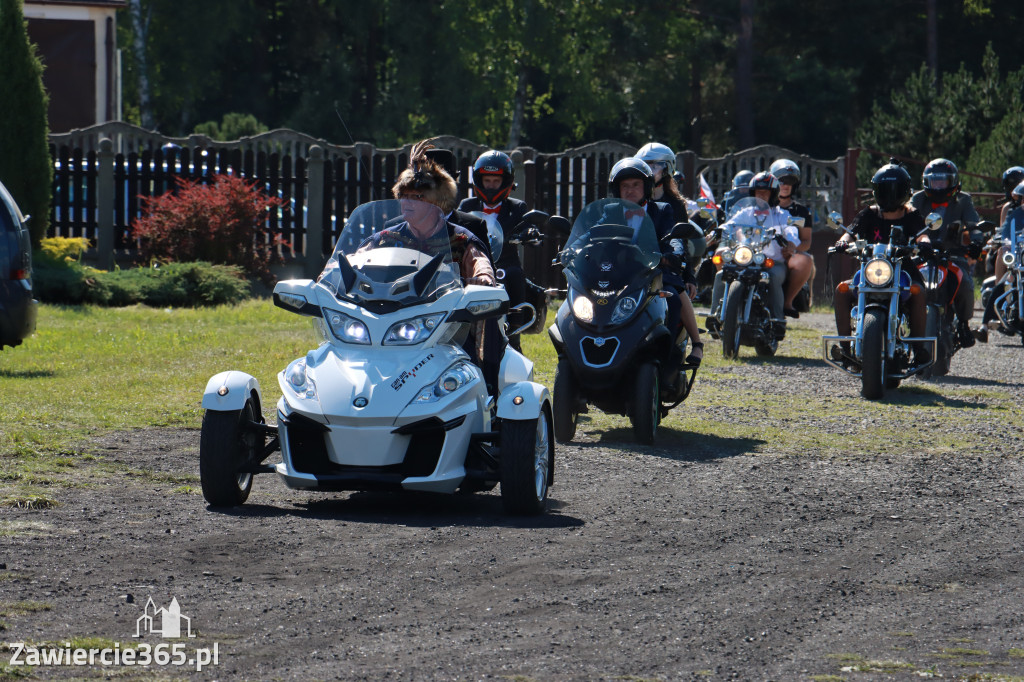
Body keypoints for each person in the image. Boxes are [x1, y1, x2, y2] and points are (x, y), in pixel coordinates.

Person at [831, 161, 931, 367]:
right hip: (871, 269)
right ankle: (845, 348)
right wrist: (842, 242)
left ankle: (919, 348)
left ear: (904, 191)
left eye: (893, 190)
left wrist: (926, 245)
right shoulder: (869, 213)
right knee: (841, 290)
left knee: (918, 292)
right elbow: (850, 232)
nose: (889, 195)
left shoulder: (911, 215)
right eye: (884, 190)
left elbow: (923, 236)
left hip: (902, 268)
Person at [609, 156, 704, 367]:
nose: (630, 190)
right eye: (625, 186)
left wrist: (673, 254)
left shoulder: (662, 210)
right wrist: (573, 249)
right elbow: (590, 234)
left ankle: (679, 351)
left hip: (654, 270)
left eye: (636, 185)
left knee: (674, 296)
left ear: (647, 187)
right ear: (617, 190)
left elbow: (674, 237)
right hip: (617, 273)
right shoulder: (609, 212)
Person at [459, 150, 545, 351]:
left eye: (495, 181)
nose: (490, 185)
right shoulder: (466, 205)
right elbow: (455, 227)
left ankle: (514, 334)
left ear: (506, 182)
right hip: (473, 266)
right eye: (487, 180)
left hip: (505, 264)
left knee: (515, 274)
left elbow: (528, 228)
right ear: (478, 180)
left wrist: (530, 233)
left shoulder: (517, 207)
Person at [707, 171, 800, 337]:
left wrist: (790, 242)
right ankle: (715, 316)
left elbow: (791, 231)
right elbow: (730, 224)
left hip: (772, 262)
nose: (761, 196)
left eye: (765, 193)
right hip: (746, 258)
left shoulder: (782, 215)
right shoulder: (746, 212)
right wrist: (718, 231)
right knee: (722, 273)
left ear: (773, 194)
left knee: (771, 279)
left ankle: (778, 321)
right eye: (758, 192)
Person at [909, 158, 980, 348]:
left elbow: (974, 225)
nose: (939, 186)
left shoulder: (964, 200)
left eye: (943, 181)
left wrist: (977, 242)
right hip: (921, 254)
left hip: (952, 254)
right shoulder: (917, 199)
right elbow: (907, 222)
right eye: (934, 181)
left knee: (964, 282)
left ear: (953, 182)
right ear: (926, 182)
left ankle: (964, 323)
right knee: (905, 281)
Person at [977, 179, 1024, 339]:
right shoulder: (1014, 214)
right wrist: (1001, 241)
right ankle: (984, 326)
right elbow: (1005, 232)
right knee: (1005, 282)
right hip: (1019, 258)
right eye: (1022, 198)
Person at [769, 159, 815, 318]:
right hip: (762, 251)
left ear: (794, 185)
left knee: (806, 260)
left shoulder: (802, 211)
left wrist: (793, 249)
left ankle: (787, 302)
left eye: (789, 181)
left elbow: (806, 241)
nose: (785, 185)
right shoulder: (763, 206)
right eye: (781, 181)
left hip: (788, 256)